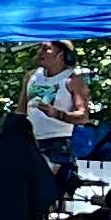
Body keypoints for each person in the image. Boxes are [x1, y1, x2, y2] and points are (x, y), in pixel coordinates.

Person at [24, 41, 91, 171]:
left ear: (61, 55)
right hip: (29, 141)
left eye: (46, 49)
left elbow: (83, 116)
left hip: (58, 144)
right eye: (39, 48)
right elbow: (21, 110)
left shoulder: (73, 80)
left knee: (55, 183)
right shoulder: (31, 76)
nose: (40, 52)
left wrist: (57, 114)